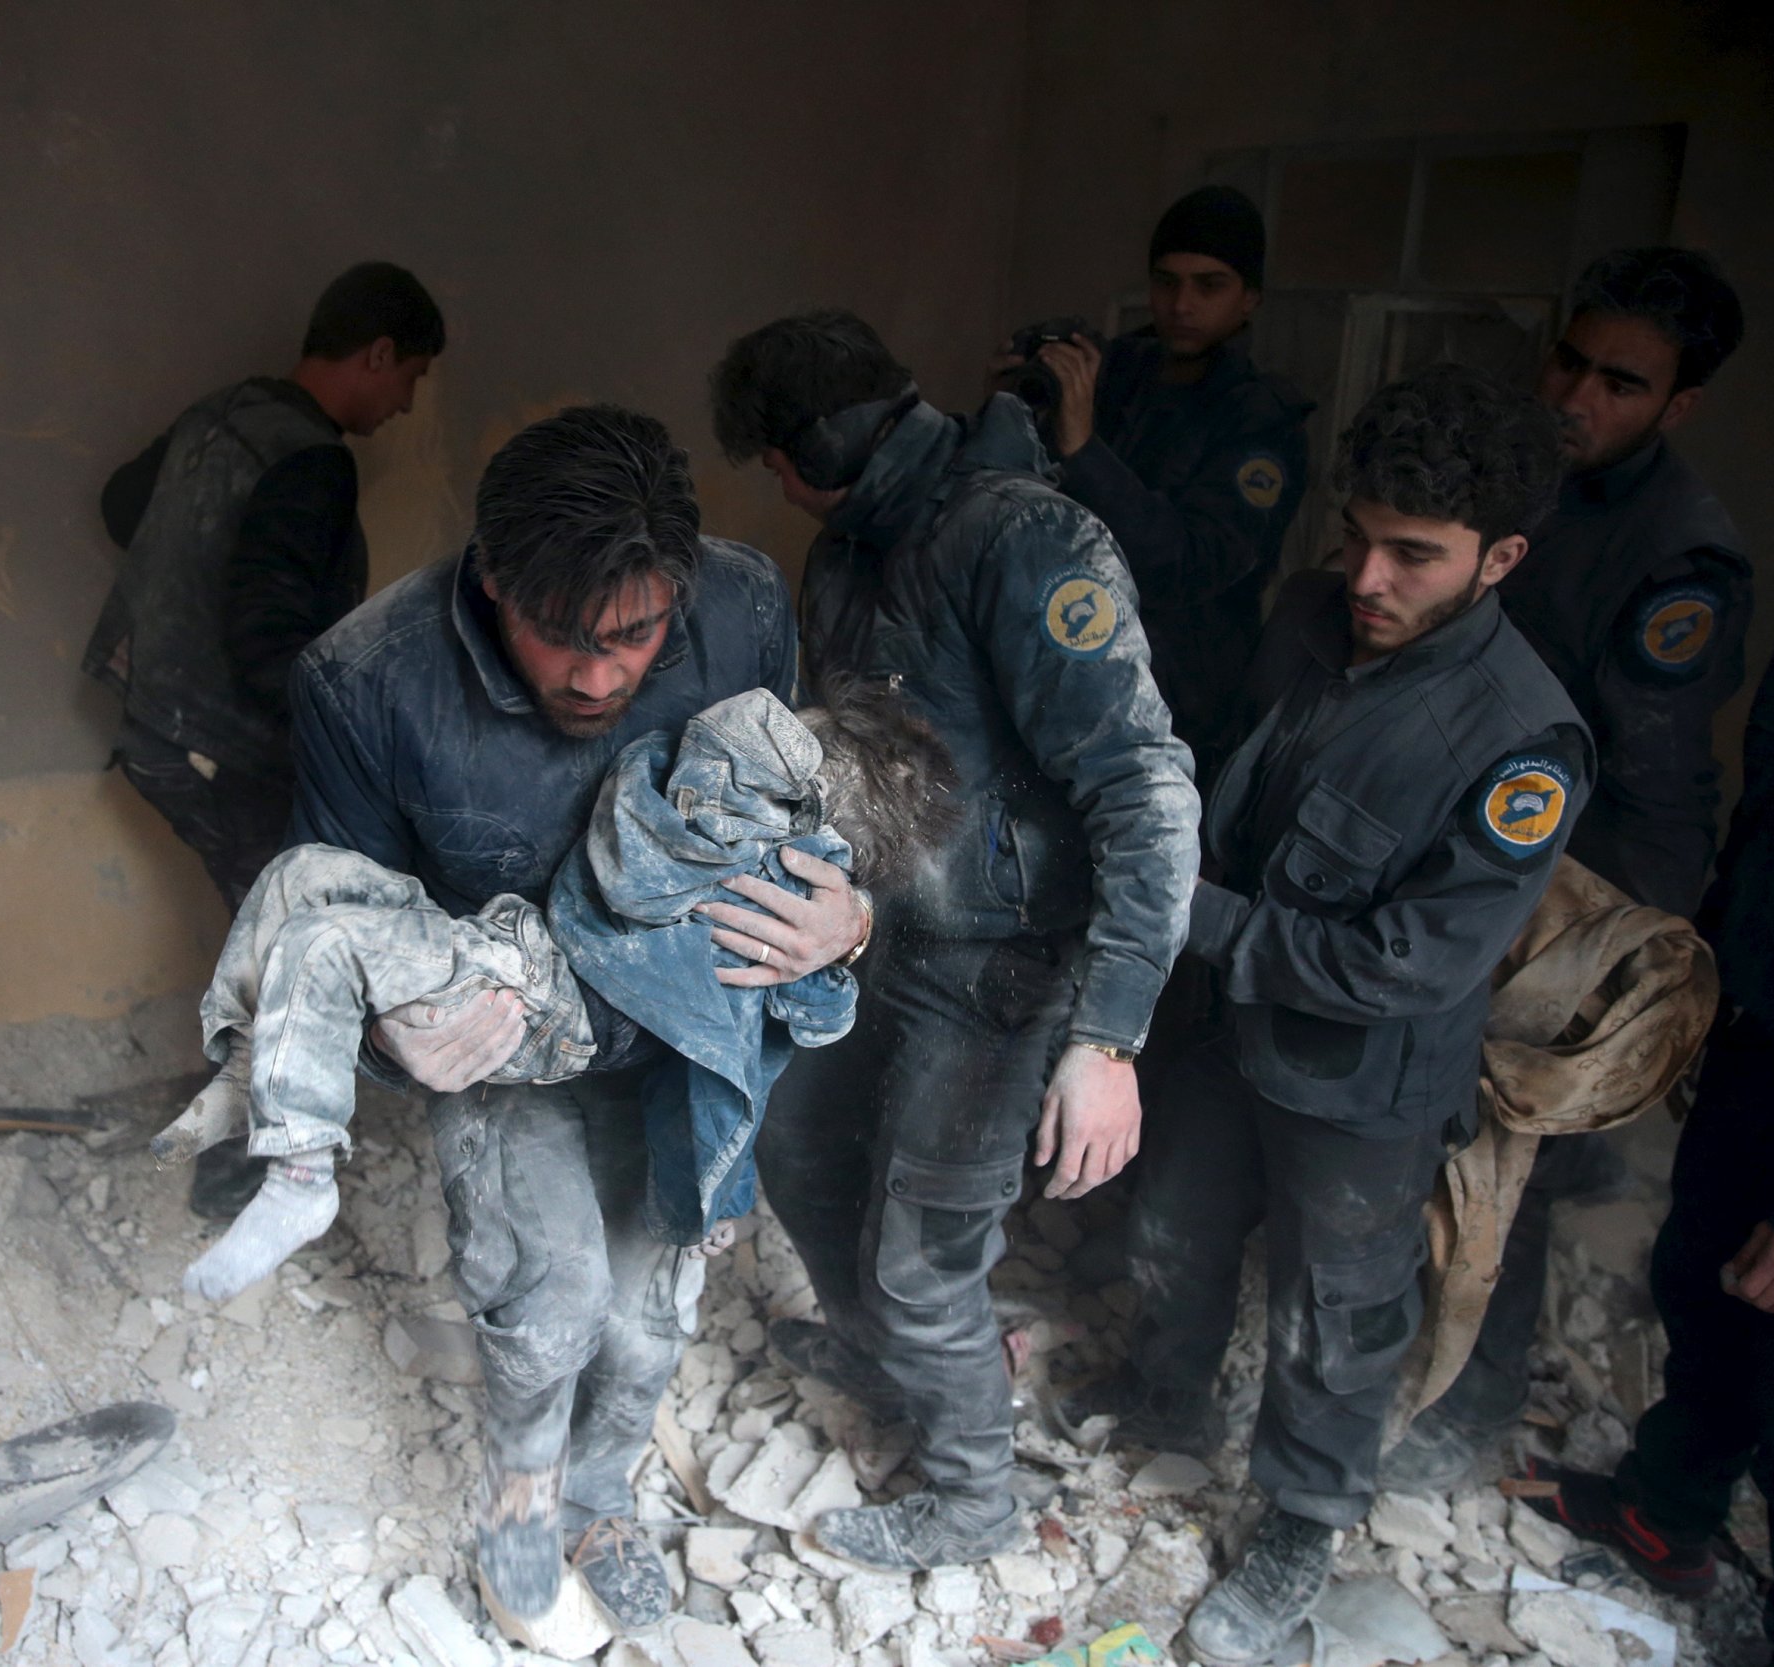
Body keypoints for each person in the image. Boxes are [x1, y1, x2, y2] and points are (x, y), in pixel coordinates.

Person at [282, 405, 870, 1630]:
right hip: (510, 1050)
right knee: (549, 1307)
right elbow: (338, 937)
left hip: (688, 1035)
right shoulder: (364, 680)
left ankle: (600, 1496)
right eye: (558, 637)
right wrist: (396, 1035)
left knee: (649, 1321)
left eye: (636, 635)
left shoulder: (749, 605)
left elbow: (791, 812)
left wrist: (844, 917)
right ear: (492, 578)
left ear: (684, 591)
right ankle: (523, 1490)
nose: (598, 675)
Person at [1065, 365, 1587, 1663]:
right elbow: (1234, 759)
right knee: (1176, 1219)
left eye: (1416, 555)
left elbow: (1408, 963)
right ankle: (1163, 1388)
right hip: (1230, 1026)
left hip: (1363, 1078)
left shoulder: (1525, 740)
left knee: (1336, 1308)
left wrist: (1196, 913)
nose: (1368, 578)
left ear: (1500, 557)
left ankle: (1303, 1516)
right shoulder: (1308, 613)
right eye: (1357, 536)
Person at [710, 310, 1202, 1572]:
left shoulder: (1025, 537)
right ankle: (899, 1367)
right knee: (802, 1147)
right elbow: (867, 765)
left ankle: (974, 1496)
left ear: (817, 444)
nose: (773, 481)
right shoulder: (850, 551)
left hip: (1003, 969)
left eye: (774, 455)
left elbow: (1142, 788)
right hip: (879, 933)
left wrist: (1108, 1032)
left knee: (926, 1255)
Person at [152, 682, 954, 1303]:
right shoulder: (726, 831)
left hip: (545, 1005)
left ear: (806, 826)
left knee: (325, 942)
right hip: (513, 947)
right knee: (303, 875)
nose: (725, 768)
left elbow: (741, 1064)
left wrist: (715, 1205)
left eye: (769, 772)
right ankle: (248, 1071)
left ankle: (300, 1178)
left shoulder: (746, 884)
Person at [1384, 248, 1750, 1489]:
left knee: (1508, 1155)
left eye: (1619, 383)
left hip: (1585, 880)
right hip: (1477, 844)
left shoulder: (1677, 559)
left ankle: (1467, 1407)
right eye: (1569, 360)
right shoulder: (1531, 478)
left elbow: (1632, 779)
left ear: (1676, 404)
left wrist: (1539, 944)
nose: (1576, 396)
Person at [1520, 502, 1774, 1665]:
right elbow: (1772, 828)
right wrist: (1708, 1011)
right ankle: (1665, 1512)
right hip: (1769, 1041)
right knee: (1702, 1291)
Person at [79, 260, 443, 1220]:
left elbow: (124, 503)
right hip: (216, 742)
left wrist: (186, 579)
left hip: (154, 723)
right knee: (288, 946)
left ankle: (257, 1135)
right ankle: (244, 1170)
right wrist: (343, 756)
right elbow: (271, 637)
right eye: (408, 376)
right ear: (375, 353)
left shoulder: (226, 414)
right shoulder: (312, 460)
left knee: (267, 925)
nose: (405, 404)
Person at [1003, 184, 1314, 787]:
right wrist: (1013, 406)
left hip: (1176, 700)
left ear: (1249, 297)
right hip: (1063, 658)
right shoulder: (1119, 370)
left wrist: (1084, 448)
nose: (1181, 303)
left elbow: (1191, 563)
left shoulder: (1261, 422)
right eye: (1166, 281)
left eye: (1209, 285)